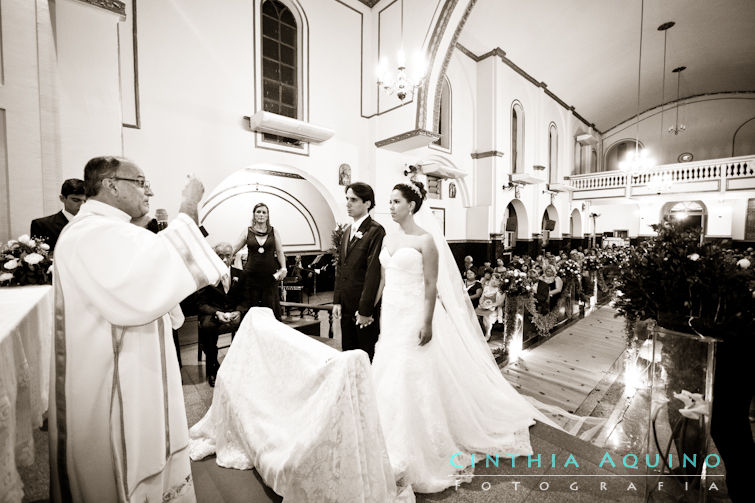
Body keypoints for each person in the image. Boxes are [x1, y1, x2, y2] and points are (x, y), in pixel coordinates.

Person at [50, 156, 227, 502]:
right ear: (111, 184)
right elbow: (156, 270)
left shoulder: (111, 230)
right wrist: (189, 203)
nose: (149, 191)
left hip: (135, 370)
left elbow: (156, 270)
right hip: (113, 382)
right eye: (141, 182)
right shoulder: (91, 233)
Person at [373, 181, 545, 494]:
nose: (392, 206)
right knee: (388, 368)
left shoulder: (427, 241)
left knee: (410, 370)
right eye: (390, 201)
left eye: (396, 201)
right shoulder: (389, 238)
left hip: (414, 313)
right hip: (393, 313)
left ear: (411, 206)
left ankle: (418, 440)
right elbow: (386, 278)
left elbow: (429, 286)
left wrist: (427, 321)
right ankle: (383, 430)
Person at [332, 182, 385, 361]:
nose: (348, 203)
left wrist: (365, 310)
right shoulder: (348, 230)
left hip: (363, 307)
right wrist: (337, 301)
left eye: (353, 200)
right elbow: (340, 267)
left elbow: (373, 273)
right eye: (347, 199)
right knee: (348, 353)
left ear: (367, 203)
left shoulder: (376, 231)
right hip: (345, 304)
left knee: (365, 355)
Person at [196, 242, 245, 387]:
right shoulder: (206, 276)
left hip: (233, 311)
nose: (224, 259)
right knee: (206, 328)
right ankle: (213, 368)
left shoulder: (240, 274)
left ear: (233, 257)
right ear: (214, 257)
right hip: (213, 312)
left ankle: (243, 365)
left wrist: (239, 311)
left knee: (252, 322)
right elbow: (200, 304)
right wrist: (217, 313)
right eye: (220, 256)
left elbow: (246, 298)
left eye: (227, 256)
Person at [232, 203, 287, 319]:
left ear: (267, 216)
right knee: (252, 308)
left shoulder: (274, 231)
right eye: (258, 212)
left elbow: (280, 252)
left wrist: (284, 267)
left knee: (270, 306)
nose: (261, 215)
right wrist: (222, 257)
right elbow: (233, 249)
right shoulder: (247, 231)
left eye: (264, 212)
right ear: (254, 215)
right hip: (251, 276)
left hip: (270, 277)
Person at [29, 178, 86, 252]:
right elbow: (40, 258)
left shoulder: (95, 222)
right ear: (62, 198)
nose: (82, 205)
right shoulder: (42, 225)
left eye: (85, 200)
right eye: (76, 200)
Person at [475, 272, 505, 340]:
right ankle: (478, 332)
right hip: (484, 306)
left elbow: (499, 303)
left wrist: (490, 306)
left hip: (494, 308)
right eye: (492, 279)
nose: (494, 281)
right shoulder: (486, 288)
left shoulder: (499, 290)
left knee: (487, 317)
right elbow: (482, 297)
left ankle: (488, 333)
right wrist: (481, 304)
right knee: (475, 316)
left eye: (496, 280)